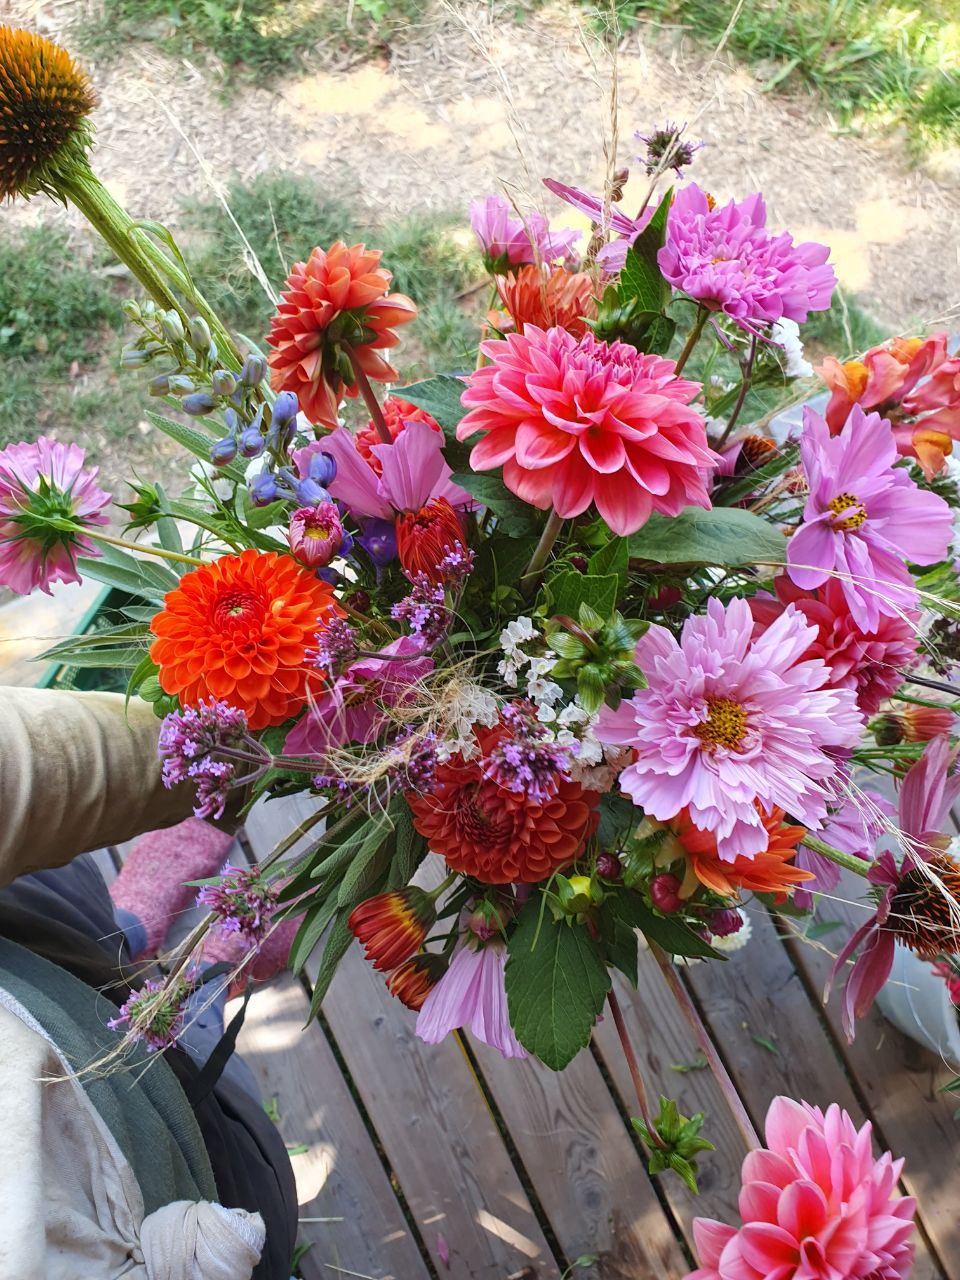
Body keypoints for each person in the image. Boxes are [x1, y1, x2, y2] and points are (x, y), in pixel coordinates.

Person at [0, 686, 298, 1279]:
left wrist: (215, 757)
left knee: (69, 911)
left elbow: (26, 764)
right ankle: (209, 980)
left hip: (21, 948)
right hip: (145, 1167)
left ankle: (132, 926)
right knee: (197, 1066)